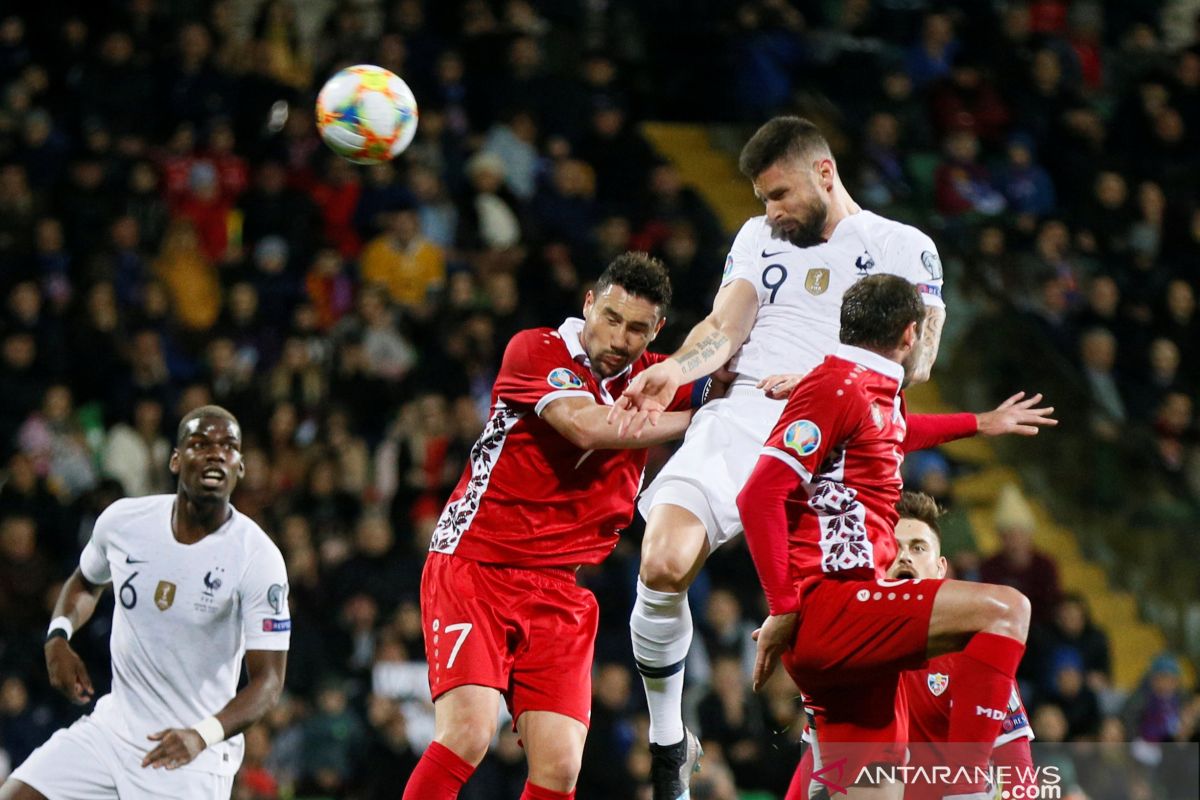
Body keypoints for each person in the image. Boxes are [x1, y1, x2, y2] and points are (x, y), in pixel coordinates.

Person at [607, 116, 1050, 800]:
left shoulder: (905, 246)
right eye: (761, 199)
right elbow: (724, 326)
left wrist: (827, 375)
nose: (770, 212)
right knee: (662, 560)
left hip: (832, 428)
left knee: (865, 770)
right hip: (747, 412)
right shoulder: (759, 238)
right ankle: (670, 743)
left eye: (779, 194)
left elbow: (917, 367)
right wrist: (679, 371)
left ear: (823, 173)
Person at [402, 253, 711, 800]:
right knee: (469, 734)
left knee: (561, 767)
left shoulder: (655, 377)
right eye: (611, 317)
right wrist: (698, 419)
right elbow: (585, 427)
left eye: (637, 328)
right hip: (476, 563)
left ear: (656, 330)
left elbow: (733, 380)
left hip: (559, 586)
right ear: (589, 303)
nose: (619, 337)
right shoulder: (536, 349)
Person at [736, 275, 1031, 799]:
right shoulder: (838, 386)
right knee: (1007, 609)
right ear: (912, 334)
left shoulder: (869, 391)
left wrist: (978, 423)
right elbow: (757, 497)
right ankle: (963, 786)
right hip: (835, 606)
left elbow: (894, 431)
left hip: (843, 635)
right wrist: (784, 606)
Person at [0, 405, 290, 800]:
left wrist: (201, 736)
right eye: (200, 443)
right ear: (175, 459)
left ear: (239, 466)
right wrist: (58, 636)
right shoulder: (124, 522)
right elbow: (85, 581)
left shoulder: (258, 558)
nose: (216, 453)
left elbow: (269, 683)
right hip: (111, 732)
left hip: (188, 755)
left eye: (229, 446)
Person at [786, 491, 1038, 800]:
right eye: (893, 546)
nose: (904, 556)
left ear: (940, 568)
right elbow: (815, 764)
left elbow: (1016, 768)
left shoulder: (977, 651)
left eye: (918, 548)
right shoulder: (848, 650)